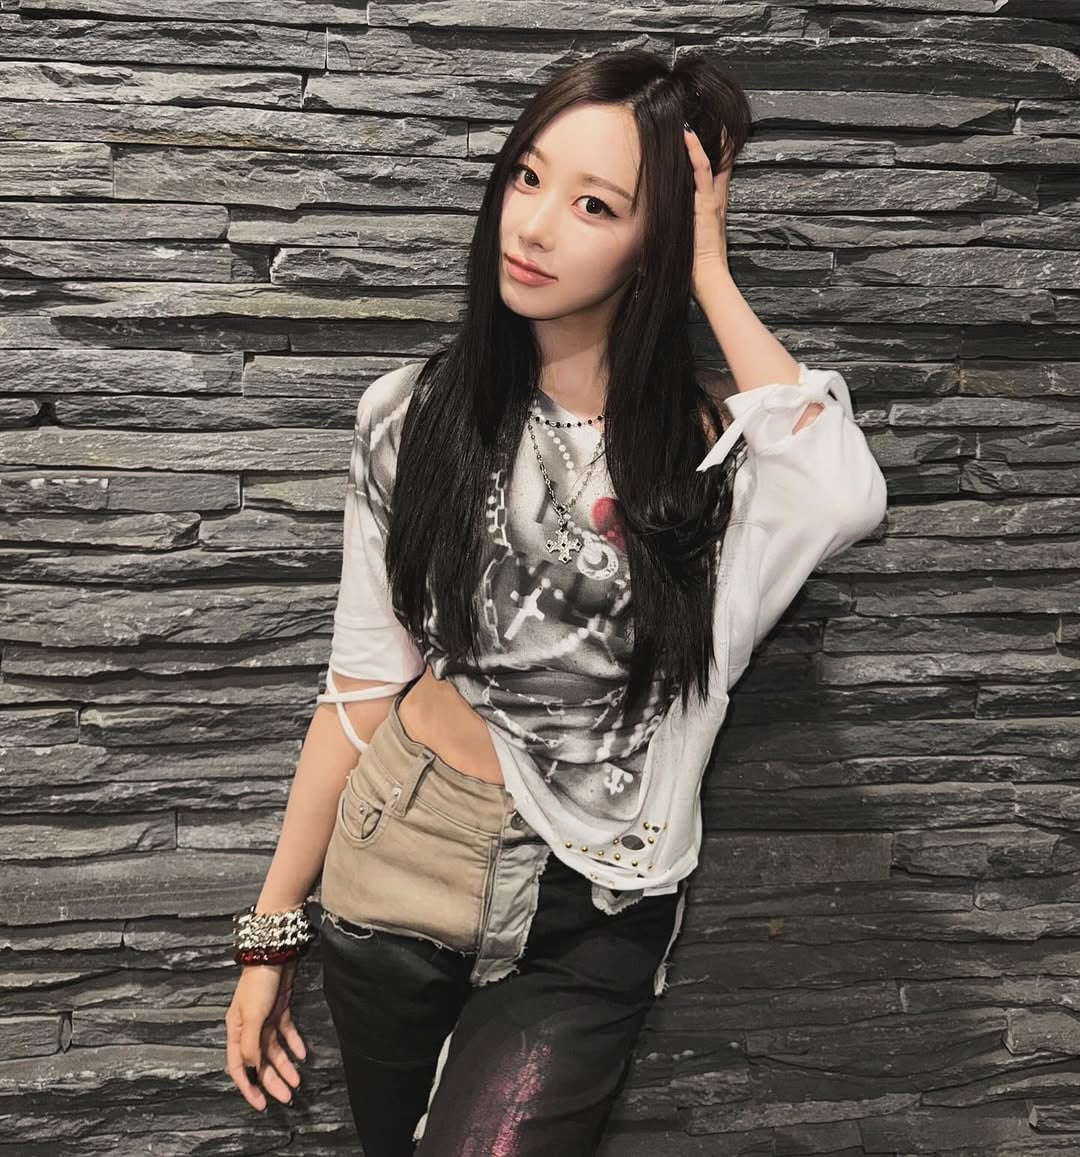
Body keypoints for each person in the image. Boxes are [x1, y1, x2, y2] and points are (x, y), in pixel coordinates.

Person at [224, 46, 888, 1156]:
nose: (531, 227)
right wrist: (269, 931)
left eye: (595, 205)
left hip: (593, 901)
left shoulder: (717, 456)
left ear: (651, 242)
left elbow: (844, 492)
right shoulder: (410, 416)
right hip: (397, 855)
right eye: (527, 178)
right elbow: (359, 686)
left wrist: (709, 268)